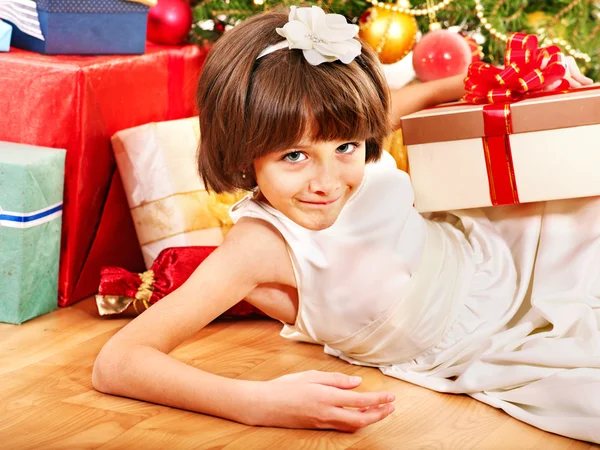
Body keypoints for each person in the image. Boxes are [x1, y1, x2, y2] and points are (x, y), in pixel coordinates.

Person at [92, 5, 599, 443]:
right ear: (245, 154)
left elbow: (405, 104)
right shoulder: (257, 248)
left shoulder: (348, 134)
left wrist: (501, 86)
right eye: (294, 156)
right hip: (482, 339)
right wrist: (255, 402)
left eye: (345, 149)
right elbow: (118, 362)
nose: (327, 181)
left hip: (501, 253)